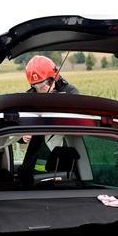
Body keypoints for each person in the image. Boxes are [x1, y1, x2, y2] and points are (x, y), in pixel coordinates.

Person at [19, 55, 80, 184]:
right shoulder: (29, 97)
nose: (39, 90)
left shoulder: (71, 93)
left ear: (53, 78)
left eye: (42, 85)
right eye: (36, 86)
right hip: (36, 160)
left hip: (64, 157)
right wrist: (22, 135)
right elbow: (18, 123)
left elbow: (76, 120)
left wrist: (52, 99)